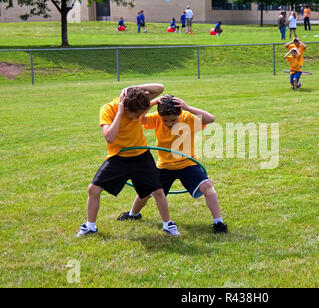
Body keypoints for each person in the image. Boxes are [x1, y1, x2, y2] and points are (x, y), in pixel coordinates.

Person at [77, 83, 181, 237]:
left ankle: (168, 225)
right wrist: (119, 114)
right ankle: (90, 226)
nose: (140, 117)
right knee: (93, 189)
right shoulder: (108, 110)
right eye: (136, 115)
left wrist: (132, 88)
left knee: (158, 191)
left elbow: (160, 88)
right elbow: (110, 137)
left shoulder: (137, 104)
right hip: (119, 157)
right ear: (126, 109)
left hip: (141, 156)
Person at [126, 95, 228, 234]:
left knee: (208, 187)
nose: (169, 123)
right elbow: (138, 119)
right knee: (145, 191)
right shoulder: (156, 118)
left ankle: (219, 223)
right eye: (165, 120)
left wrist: (187, 107)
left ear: (180, 113)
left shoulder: (187, 117)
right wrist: (152, 103)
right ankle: (133, 214)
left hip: (187, 163)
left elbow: (210, 119)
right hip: (164, 166)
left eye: (173, 120)